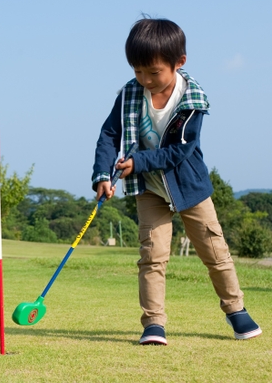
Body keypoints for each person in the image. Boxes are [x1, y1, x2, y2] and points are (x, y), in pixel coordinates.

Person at [91, 18, 262, 345]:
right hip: (149, 190)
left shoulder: (193, 99)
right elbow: (109, 134)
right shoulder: (130, 92)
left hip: (190, 187)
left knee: (215, 251)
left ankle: (236, 310)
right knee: (152, 256)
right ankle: (153, 324)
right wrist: (102, 174)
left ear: (178, 63)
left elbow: (181, 150)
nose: (145, 79)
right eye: (138, 71)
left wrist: (137, 162)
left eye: (153, 72)